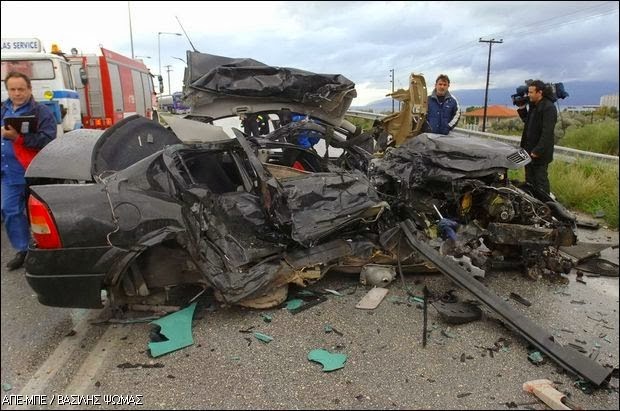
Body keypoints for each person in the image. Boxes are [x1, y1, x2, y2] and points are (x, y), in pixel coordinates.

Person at [1, 72, 57, 270]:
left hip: (33, 170)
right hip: (8, 173)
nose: (17, 93)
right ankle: (23, 250)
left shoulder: (41, 112)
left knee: (41, 214)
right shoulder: (2, 110)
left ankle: (48, 250)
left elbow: (48, 140)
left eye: (21, 89)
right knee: (10, 211)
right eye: (12, 89)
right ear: (7, 90)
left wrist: (18, 138)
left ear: (29, 89)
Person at [517, 79, 557, 195]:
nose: (528, 95)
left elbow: (547, 132)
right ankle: (532, 203)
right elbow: (529, 123)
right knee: (529, 180)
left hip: (540, 153)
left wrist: (537, 151)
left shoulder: (549, 108)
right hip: (528, 150)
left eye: (531, 92)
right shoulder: (534, 105)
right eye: (528, 92)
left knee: (540, 181)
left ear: (540, 92)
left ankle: (545, 206)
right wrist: (522, 109)